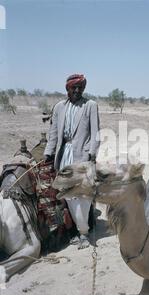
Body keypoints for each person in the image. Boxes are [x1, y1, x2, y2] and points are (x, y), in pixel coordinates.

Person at [44, 74, 100, 249]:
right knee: (67, 196)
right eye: (73, 88)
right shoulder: (59, 107)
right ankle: (75, 230)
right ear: (67, 88)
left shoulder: (90, 106)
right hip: (63, 157)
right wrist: (48, 153)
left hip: (81, 157)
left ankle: (83, 232)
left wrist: (91, 154)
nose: (77, 90)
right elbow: (53, 134)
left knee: (82, 196)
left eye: (80, 87)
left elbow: (96, 133)